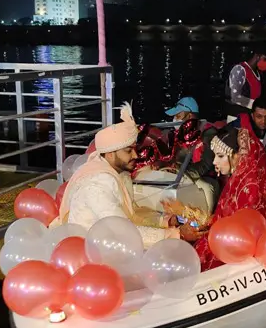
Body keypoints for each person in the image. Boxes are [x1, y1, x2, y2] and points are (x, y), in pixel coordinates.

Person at [56, 102, 204, 247]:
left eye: (134, 148)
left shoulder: (117, 173)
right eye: (128, 150)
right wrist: (176, 234)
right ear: (110, 154)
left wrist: (165, 221)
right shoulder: (96, 184)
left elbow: (130, 215)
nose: (135, 154)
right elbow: (122, 231)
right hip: (90, 252)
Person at [194, 127, 266, 271]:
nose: (214, 161)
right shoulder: (240, 179)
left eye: (220, 156)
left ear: (239, 155)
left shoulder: (250, 187)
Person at [229, 96, 266, 186]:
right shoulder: (239, 126)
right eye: (259, 117)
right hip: (243, 168)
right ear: (252, 116)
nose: (263, 121)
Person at [224, 47, 266, 122]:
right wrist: (256, 105)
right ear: (257, 56)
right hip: (236, 117)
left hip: (251, 117)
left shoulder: (258, 74)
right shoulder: (239, 69)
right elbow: (235, 97)